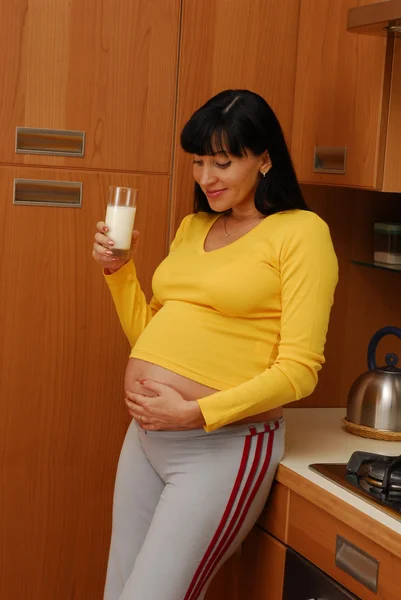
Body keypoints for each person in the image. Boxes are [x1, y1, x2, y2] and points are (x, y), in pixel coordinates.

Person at [93, 89, 338, 600]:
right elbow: (154, 337)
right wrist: (119, 274)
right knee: (119, 593)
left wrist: (197, 413)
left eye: (223, 162)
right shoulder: (194, 226)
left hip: (221, 447)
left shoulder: (301, 233)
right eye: (199, 161)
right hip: (146, 438)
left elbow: (300, 370)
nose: (207, 178)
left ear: (265, 158)